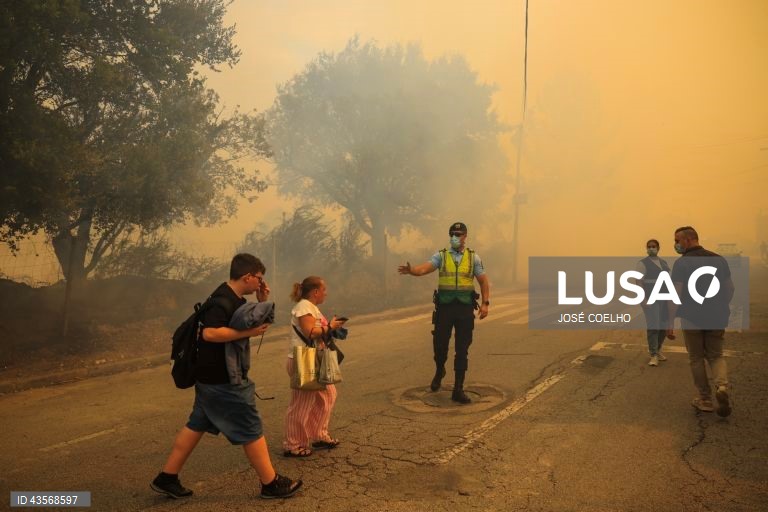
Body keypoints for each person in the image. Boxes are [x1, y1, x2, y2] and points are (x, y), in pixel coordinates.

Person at [151, 253, 302, 500]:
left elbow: (250, 322)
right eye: (259, 278)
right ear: (247, 276)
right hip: (222, 379)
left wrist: (262, 301)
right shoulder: (222, 301)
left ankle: (167, 477)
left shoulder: (233, 298)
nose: (261, 282)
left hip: (210, 378)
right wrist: (248, 333)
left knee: (197, 424)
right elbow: (210, 334)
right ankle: (271, 483)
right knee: (250, 426)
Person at [398, 222, 490, 404]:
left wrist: (485, 303)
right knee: (440, 345)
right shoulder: (441, 256)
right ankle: (440, 370)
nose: (455, 237)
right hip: (445, 308)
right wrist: (412, 271)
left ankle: (458, 389)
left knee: (462, 349)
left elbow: (483, 281)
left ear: (465, 236)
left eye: (459, 234)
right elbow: (425, 268)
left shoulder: (473, 258)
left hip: (464, 308)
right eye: (452, 234)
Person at [666, 227, 735, 417]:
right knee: (716, 355)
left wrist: (669, 321)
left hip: (692, 317)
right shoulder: (719, 260)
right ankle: (721, 386)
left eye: (677, 240)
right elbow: (730, 288)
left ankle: (705, 399)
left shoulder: (682, 263)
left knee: (696, 358)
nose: (676, 245)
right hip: (717, 316)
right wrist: (719, 305)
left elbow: (675, 294)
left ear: (688, 240)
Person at [283, 276, 347, 457]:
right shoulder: (304, 306)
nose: (326, 293)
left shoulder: (310, 307)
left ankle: (318, 435)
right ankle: (293, 444)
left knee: (328, 395)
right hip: (303, 360)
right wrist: (330, 326)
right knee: (301, 404)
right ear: (315, 292)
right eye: (324, 290)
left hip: (313, 359)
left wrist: (332, 327)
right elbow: (310, 332)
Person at [634, 239, 670, 366]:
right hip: (650, 298)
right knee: (654, 326)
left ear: (658, 248)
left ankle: (658, 349)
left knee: (663, 326)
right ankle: (653, 354)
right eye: (649, 246)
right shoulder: (642, 264)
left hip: (664, 297)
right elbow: (639, 282)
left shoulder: (664, 263)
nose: (651, 248)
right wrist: (642, 299)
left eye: (653, 246)